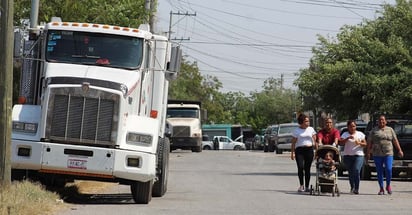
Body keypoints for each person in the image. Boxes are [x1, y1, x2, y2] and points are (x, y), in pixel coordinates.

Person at [366, 115, 404, 195]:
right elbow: (369, 142)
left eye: (383, 120)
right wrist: (368, 152)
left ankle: (388, 185)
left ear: (386, 121)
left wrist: (399, 150)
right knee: (379, 171)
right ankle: (381, 188)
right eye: (380, 120)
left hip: (388, 153)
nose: (381, 122)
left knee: (389, 169)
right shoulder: (373, 131)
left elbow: (395, 140)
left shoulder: (390, 130)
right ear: (377, 122)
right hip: (377, 153)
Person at [291, 113, 317, 192]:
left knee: (307, 169)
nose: (308, 123)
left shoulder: (311, 129)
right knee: (300, 167)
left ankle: (307, 186)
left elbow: (315, 141)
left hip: (309, 150)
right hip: (300, 151)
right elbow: (293, 143)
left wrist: (317, 151)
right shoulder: (296, 131)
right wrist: (292, 153)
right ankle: (301, 185)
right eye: (306, 121)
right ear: (301, 122)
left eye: (308, 121)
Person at [339, 120, 366, 194]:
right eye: (350, 126)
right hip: (348, 156)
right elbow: (341, 143)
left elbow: (365, 144)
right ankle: (352, 187)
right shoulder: (345, 134)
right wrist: (347, 138)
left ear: (356, 127)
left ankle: (357, 188)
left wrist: (359, 143)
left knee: (356, 170)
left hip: (358, 155)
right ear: (348, 127)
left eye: (354, 126)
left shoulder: (360, 134)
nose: (352, 128)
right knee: (351, 172)